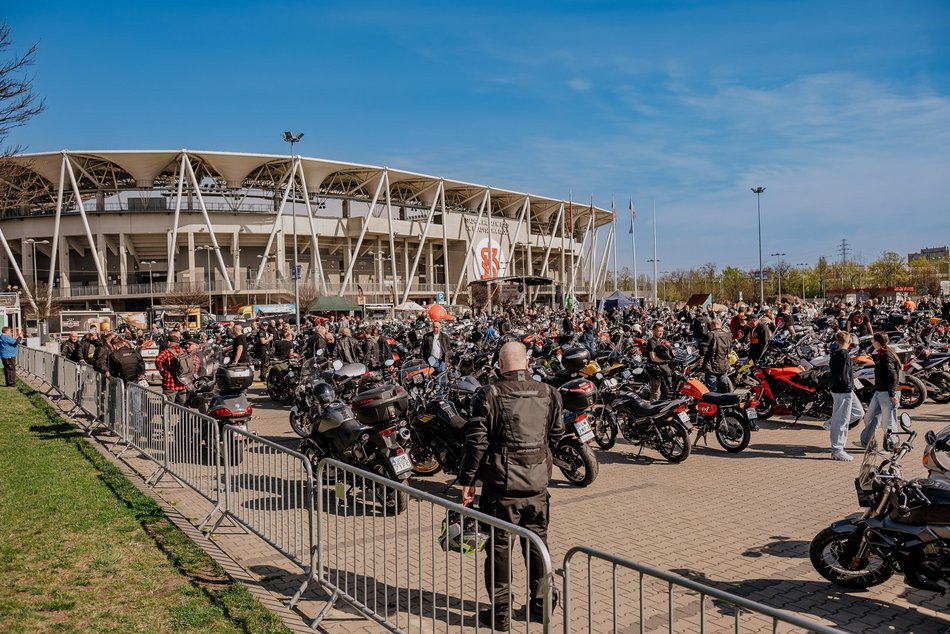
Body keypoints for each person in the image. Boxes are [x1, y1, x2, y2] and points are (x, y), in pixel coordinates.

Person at [458, 342, 565, 629]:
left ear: (500, 365)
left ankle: (502, 614)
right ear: (527, 363)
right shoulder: (549, 392)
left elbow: (476, 442)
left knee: (499, 549)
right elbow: (557, 433)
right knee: (538, 545)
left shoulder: (489, 393)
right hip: (537, 485)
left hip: (501, 488)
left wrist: (467, 481)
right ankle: (542, 607)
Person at [857, 332, 901, 448]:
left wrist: (892, 394)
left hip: (887, 393)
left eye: (873, 340)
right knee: (869, 417)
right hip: (880, 391)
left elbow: (893, 376)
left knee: (888, 422)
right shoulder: (881, 353)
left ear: (876, 342)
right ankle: (869, 442)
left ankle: (892, 445)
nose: (871, 342)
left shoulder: (886, 355)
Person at [826, 330, 864, 461]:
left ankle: (831, 422)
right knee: (842, 420)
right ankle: (837, 450)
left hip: (842, 389)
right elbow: (844, 374)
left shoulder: (836, 353)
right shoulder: (844, 355)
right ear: (849, 341)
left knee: (858, 412)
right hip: (843, 390)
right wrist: (848, 386)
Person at [155, 333, 189, 404]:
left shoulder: (167, 352)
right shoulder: (183, 351)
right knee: (181, 405)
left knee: (168, 405)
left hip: (170, 382)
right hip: (182, 382)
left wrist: (161, 369)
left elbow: (158, 360)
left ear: (169, 342)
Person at [700, 318, 732, 393]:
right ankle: (726, 398)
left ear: (713, 325)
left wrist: (702, 354)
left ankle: (713, 400)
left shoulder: (710, 334)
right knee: (724, 385)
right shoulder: (727, 335)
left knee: (711, 387)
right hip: (723, 363)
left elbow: (703, 349)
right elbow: (730, 349)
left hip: (711, 364)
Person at [645, 322, 673, 400]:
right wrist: (666, 360)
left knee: (665, 391)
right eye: (659, 331)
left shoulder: (659, 341)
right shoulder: (651, 342)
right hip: (654, 370)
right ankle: (652, 406)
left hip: (661, 369)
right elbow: (653, 358)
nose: (661, 333)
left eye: (662, 331)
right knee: (656, 392)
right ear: (653, 331)